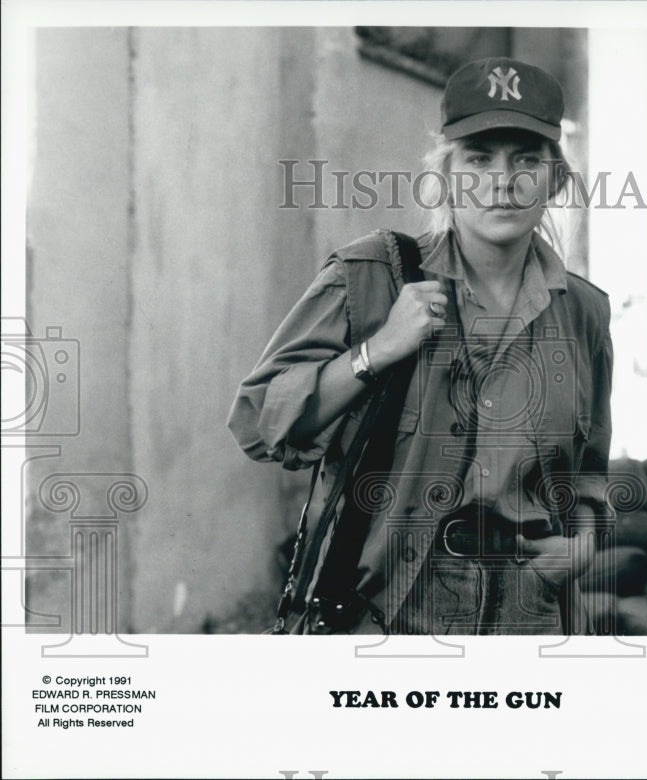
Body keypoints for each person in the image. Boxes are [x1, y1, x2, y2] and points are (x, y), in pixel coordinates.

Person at [228, 58, 613, 635]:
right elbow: (258, 424)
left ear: (555, 179)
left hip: (530, 610)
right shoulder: (371, 278)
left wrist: (581, 542)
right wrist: (377, 350)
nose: (502, 181)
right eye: (479, 158)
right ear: (444, 176)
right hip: (394, 604)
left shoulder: (584, 312)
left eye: (526, 159)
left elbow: (587, 472)